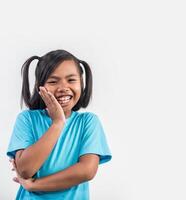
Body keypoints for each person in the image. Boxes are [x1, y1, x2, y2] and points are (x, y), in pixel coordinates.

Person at [6, 49, 112, 199]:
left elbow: (87, 170)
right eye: (53, 81)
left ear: (81, 84)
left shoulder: (88, 121)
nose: (63, 88)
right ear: (40, 87)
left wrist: (34, 185)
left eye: (71, 80)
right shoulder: (27, 119)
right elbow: (25, 170)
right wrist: (57, 123)